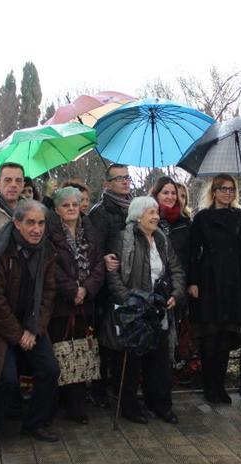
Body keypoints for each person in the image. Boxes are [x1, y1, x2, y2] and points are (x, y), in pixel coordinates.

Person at [0, 200, 59, 451]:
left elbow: (49, 295)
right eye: (30, 223)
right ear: (16, 224)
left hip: (31, 326)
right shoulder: (0, 251)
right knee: (4, 378)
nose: (36, 229)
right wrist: (19, 334)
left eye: (41, 223)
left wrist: (34, 329)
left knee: (50, 370)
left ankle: (35, 423)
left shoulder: (47, 251)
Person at [107, 197, 186, 424]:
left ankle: (161, 405)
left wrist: (176, 294)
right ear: (137, 215)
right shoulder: (123, 238)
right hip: (133, 310)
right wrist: (129, 301)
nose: (155, 216)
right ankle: (130, 407)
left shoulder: (162, 239)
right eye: (150, 212)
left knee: (160, 360)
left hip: (159, 307)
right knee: (132, 361)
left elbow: (176, 269)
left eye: (156, 212)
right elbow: (113, 274)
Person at [188, 173, 241, 404]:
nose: (228, 193)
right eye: (223, 188)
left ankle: (221, 387)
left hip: (233, 281)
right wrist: (193, 282)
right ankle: (209, 386)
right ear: (214, 191)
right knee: (210, 336)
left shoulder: (239, 216)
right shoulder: (202, 218)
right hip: (209, 279)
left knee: (226, 336)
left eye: (231, 189)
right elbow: (193, 253)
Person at [47, 187, 105, 424]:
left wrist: (86, 289)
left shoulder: (90, 230)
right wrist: (73, 290)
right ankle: (54, 405)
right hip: (60, 306)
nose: (71, 209)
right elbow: (52, 267)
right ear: (57, 209)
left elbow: (99, 265)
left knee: (81, 353)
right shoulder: (50, 233)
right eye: (66, 205)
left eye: (75, 204)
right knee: (58, 356)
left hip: (85, 305)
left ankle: (77, 407)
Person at [87, 163, 133, 407]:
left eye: (127, 178)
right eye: (119, 179)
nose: (125, 182)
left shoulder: (134, 208)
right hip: (107, 287)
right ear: (107, 184)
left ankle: (120, 386)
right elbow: (94, 248)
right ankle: (100, 389)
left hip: (131, 282)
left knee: (124, 340)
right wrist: (104, 257)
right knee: (106, 341)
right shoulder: (100, 211)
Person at [150, 176, 192, 361]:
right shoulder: (149, 219)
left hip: (177, 284)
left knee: (174, 332)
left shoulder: (185, 222)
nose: (170, 196)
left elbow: (191, 256)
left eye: (173, 193)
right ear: (156, 194)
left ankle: (170, 375)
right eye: (165, 192)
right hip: (153, 285)